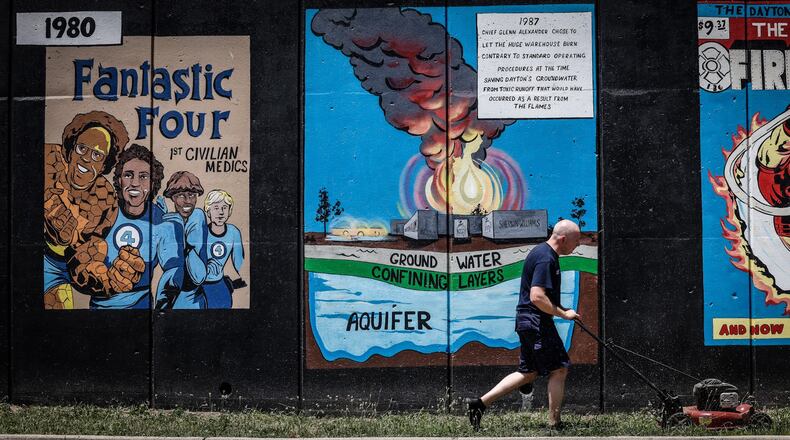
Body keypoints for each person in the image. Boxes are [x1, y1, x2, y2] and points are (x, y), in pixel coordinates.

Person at [466, 219, 582, 431]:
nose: (578, 245)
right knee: (559, 369)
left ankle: (479, 404)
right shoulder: (546, 258)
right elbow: (537, 297)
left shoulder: (542, 253)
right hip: (535, 320)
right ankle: (554, 424)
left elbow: (542, 296)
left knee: (528, 372)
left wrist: (563, 310)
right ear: (563, 239)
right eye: (576, 240)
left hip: (527, 320)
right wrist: (564, 314)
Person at [43, 111, 144, 309]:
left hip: (56, 266)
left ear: (105, 164)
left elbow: (85, 258)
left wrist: (110, 280)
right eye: (82, 148)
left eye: (97, 155)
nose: (87, 159)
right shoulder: (47, 158)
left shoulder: (106, 199)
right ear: (71, 149)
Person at [90, 144, 185, 309]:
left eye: (143, 177)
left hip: (141, 309)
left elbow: (173, 270)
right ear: (119, 179)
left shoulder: (162, 221)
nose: (135, 183)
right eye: (128, 175)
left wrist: (164, 306)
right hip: (98, 307)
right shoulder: (101, 211)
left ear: (153, 182)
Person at [161, 171, 208, 309]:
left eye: (192, 195)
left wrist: (181, 233)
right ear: (173, 198)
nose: (187, 201)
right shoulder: (170, 220)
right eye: (181, 195)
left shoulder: (198, 217)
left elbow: (199, 276)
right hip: (171, 297)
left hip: (193, 298)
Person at [202, 189, 246, 309]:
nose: (221, 212)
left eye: (224, 208)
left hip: (219, 284)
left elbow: (240, 263)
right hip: (200, 286)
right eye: (216, 208)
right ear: (208, 211)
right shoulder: (201, 232)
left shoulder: (233, 232)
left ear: (229, 211)